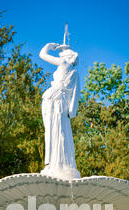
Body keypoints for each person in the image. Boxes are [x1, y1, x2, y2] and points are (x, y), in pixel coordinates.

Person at [39, 42, 81, 179]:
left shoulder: (64, 63)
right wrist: (71, 112)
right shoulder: (75, 73)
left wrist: (47, 46)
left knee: (52, 132)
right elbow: (75, 95)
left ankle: (53, 164)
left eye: (61, 54)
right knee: (62, 132)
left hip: (52, 101)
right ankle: (61, 163)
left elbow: (42, 55)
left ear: (66, 56)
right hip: (62, 104)